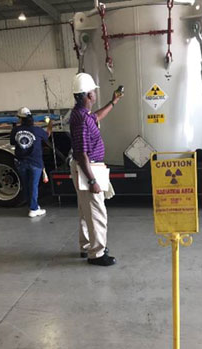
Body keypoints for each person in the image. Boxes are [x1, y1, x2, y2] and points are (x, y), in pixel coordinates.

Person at [69, 73, 123, 266]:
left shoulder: (81, 114)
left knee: (85, 210)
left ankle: (87, 246)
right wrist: (92, 181)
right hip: (88, 168)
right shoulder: (82, 120)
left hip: (86, 166)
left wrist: (113, 102)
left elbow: (97, 116)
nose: (95, 94)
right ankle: (97, 254)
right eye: (93, 91)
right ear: (87, 95)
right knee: (97, 212)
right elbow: (82, 153)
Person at [10, 107, 53, 217]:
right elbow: (47, 136)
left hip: (21, 162)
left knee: (26, 185)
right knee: (33, 185)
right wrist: (50, 125)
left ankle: (32, 205)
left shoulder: (15, 130)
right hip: (35, 162)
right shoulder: (37, 130)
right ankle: (33, 209)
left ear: (20, 118)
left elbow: (13, 143)